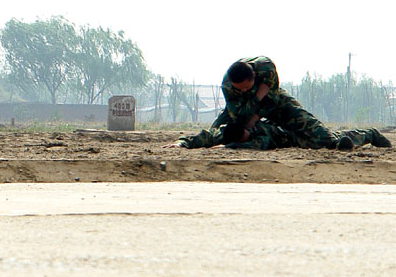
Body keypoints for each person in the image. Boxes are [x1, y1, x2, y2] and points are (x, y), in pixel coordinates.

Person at [210, 56, 345, 149]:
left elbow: (272, 100)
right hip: (243, 107)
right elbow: (238, 115)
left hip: (271, 100)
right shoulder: (228, 85)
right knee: (217, 135)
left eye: (246, 87)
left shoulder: (266, 69)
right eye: (239, 89)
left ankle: (336, 141)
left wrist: (256, 109)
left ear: (254, 77)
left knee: (310, 127)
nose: (244, 91)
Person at [165, 119, 391, 150]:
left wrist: (228, 148)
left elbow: (260, 144)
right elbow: (204, 137)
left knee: (332, 140)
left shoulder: (258, 131)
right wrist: (181, 142)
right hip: (290, 141)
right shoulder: (224, 133)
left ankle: (371, 134)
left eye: (246, 135)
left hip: (292, 135)